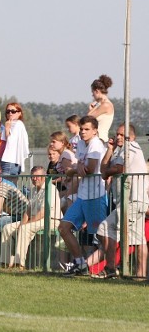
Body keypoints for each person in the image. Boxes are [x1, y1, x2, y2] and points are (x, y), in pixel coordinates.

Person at [93, 124, 148, 279]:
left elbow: (119, 169)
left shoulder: (131, 147)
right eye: (117, 134)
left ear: (131, 137)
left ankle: (110, 268)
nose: (117, 137)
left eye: (122, 135)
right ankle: (140, 275)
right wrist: (109, 150)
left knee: (104, 228)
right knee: (138, 239)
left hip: (133, 200)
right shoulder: (119, 150)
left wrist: (108, 171)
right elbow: (104, 171)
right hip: (129, 201)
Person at [58, 116, 108, 276]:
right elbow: (76, 169)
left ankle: (113, 267)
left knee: (102, 237)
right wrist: (77, 168)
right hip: (82, 196)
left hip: (96, 196)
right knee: (63, 228)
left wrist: (77, 168)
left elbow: (90, 169)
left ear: (95, 131)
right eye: (81, 129)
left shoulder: (96, 144)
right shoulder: (80, 143)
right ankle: (80, 263)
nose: (83, 132)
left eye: (87, 129)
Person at [0, 166, 62, 270]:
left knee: (25, 228)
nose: (35, 179)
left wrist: (26, 224)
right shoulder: (33, 190)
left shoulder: (50, 189)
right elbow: (27, 211)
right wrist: (23, 223)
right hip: (36, 220)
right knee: (7, 228)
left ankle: (19, 264)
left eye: (38, 176)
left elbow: (43, 213)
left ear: (45, 177)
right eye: (33, 176)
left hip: (51, 220)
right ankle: (5, 262)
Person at [0, 102, 29, 178]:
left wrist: (7, 128)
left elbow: (11, 142)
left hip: (9, 161)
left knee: (5, 187)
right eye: (8, 111)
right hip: (5, 160)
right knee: (9, 187)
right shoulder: (10, 123)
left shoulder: (18, 124)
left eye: (13, 111)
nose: (10, 113)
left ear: (19, 113)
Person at [86, 74, 114, 142]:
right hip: (95, 139)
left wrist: (92, 108)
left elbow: (88, 118)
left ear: (97, 91)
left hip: (101, 140)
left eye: (93, 93)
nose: (92, 95)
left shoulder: (106, 105)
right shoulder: (100, 104)